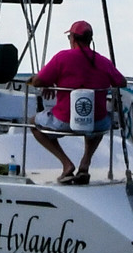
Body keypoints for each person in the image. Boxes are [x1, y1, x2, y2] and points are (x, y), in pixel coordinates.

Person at [32, 20, 126, 185]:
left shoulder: (62, 58)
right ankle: (85, 163)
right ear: (90, 40)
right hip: (97, 123)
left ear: (73, 38)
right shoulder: (103, 62)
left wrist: (51, 83)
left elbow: (37, 81)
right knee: (98, 121)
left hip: (64, 121)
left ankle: (66, 164)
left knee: (33, 123)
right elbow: (122, 82)